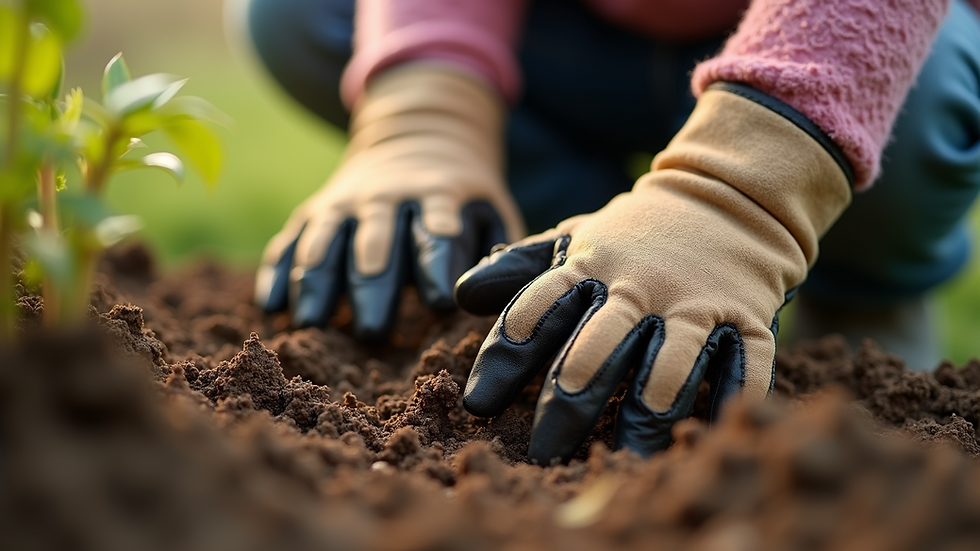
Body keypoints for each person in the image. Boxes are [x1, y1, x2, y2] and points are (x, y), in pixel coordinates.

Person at [231, 0, 980, 463]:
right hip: (580, 38)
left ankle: (855, 299)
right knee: (299, 9)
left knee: (926, 87)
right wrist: (424, 113)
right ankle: (585, 251)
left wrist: (738, 193)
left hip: (842, 49)